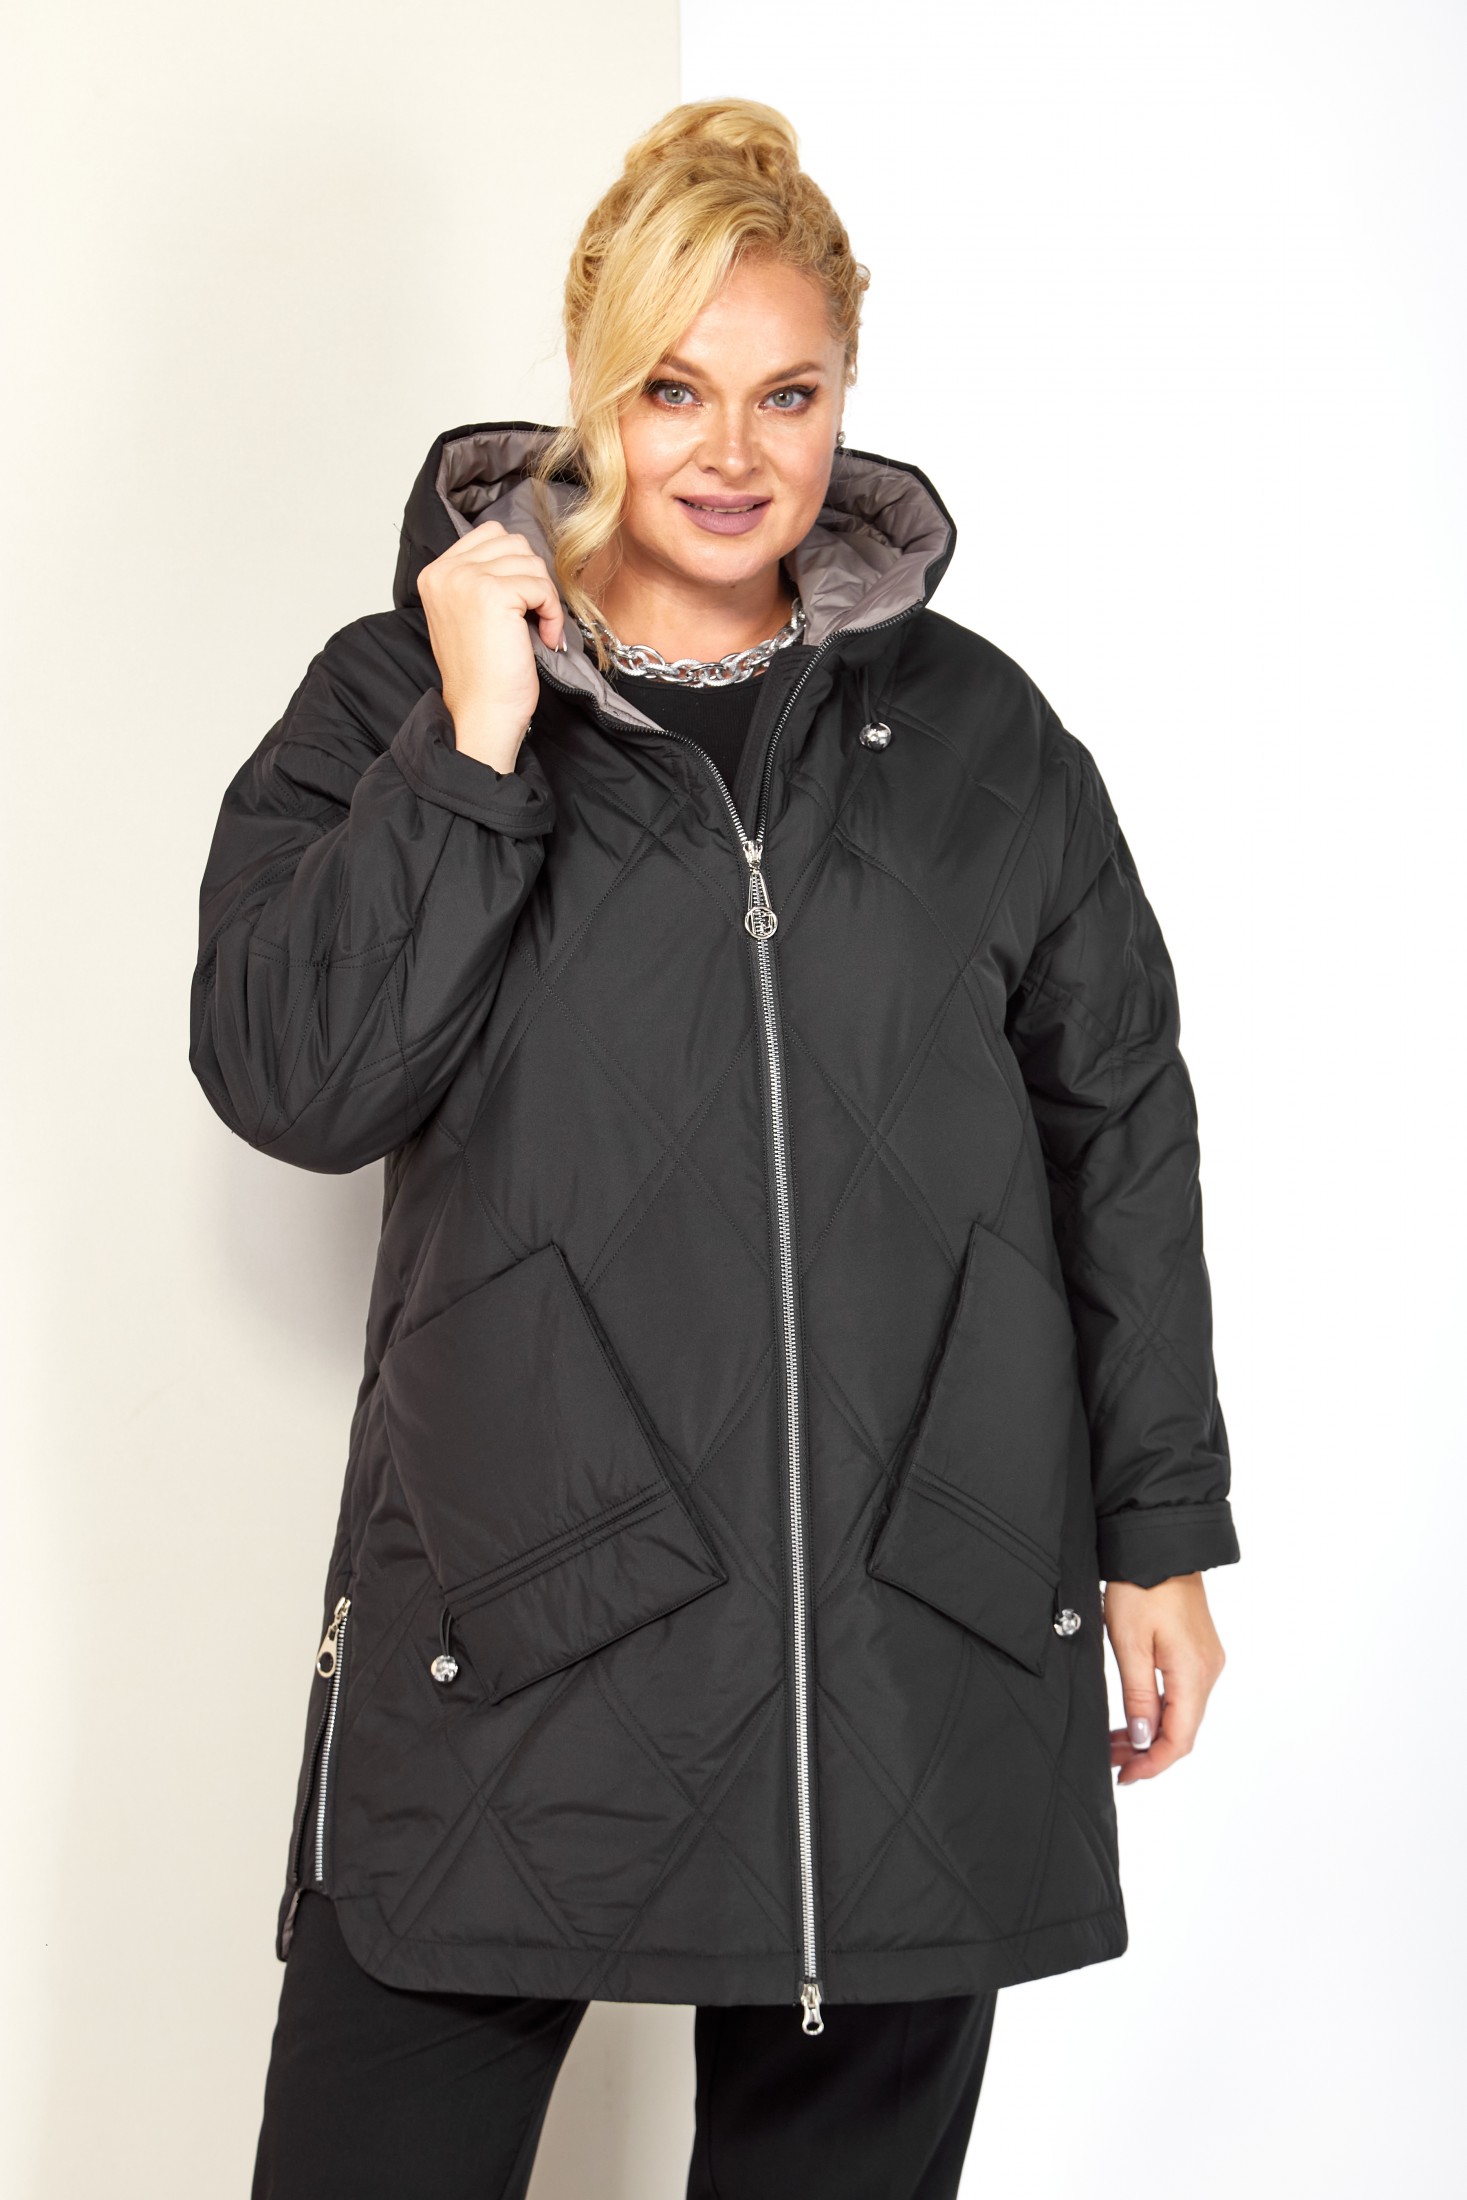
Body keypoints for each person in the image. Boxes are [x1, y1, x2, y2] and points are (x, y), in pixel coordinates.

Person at [190, 96, 1238, 2200]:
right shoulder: (399, 693)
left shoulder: (978, 737)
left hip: (900, 1618)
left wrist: (1158, 1526)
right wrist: (472, 744)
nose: (734, 453)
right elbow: (292, 1078)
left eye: (790, 393)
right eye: (674, 389)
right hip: (523, 1605)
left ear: (847, 395)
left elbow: (1117, 1116)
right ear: (592, 385)